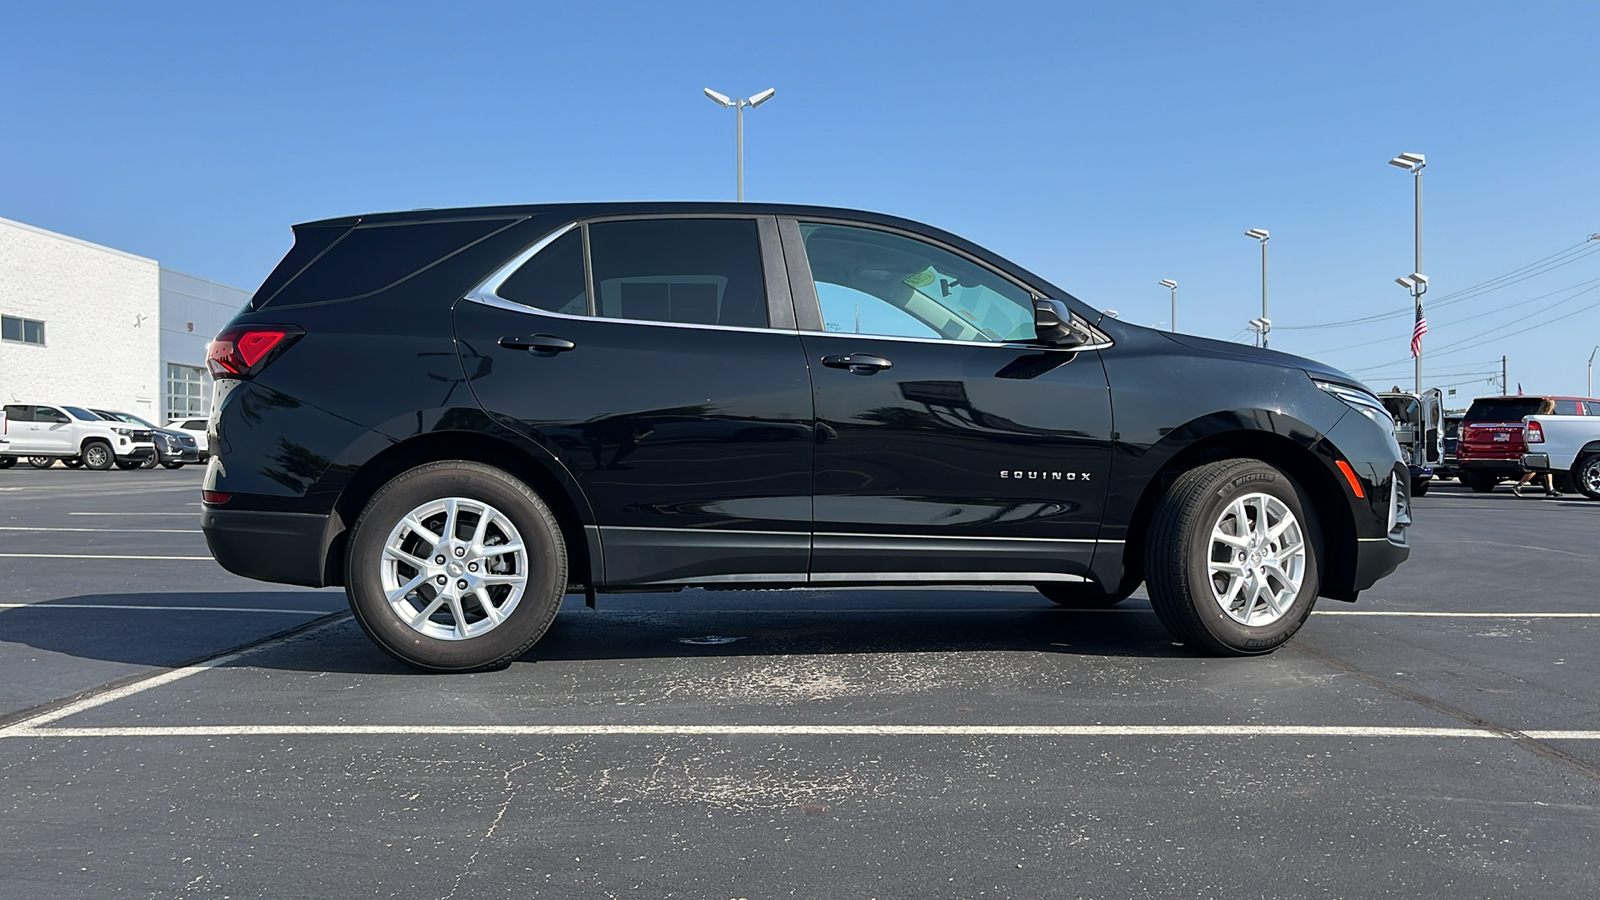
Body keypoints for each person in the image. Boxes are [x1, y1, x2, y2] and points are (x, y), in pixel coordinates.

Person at [1511, 398, 1559, 498]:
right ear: (1550, 406)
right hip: (1542, 444)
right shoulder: (1547, 419)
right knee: (1535, 468)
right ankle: (1518, 485)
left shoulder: (1536, 417)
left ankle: (1550, 489)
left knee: (1548, 468)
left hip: (1537, 444)